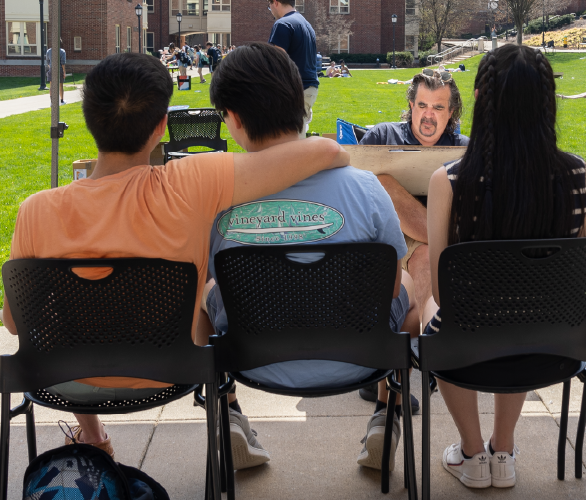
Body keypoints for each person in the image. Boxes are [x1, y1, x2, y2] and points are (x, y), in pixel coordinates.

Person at [3, 52, 347, 461]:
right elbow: (325, 151)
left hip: (61, 378)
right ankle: (229, 413)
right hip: (170, 370)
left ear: (89, 118)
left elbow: (12, 320)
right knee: (211, 289)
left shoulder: (36, 210)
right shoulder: (192, 182)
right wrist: (339, 154)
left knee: (69, 314)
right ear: (162, 126)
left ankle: (92, 434)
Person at [203, 42, 419, 473]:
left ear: (235, 119)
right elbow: (391, 288)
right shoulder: (366, 188)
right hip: (358, 357)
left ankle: (228, 412)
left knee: (204, 291)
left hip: (255, 361)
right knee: (410, 287)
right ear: (300, 104)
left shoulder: (217, 199)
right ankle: (387, 413)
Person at [423, 44, 586, 489]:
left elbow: (443, 293)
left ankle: (472, 453)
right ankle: (504, 449)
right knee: (522, 310)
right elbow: (581, 273)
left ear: (479, 98)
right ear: (547, 101)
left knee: (429, 308)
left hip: (467, 351)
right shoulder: (579, 175)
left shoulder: (451, 181)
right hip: (551, 346)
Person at [359, 71, 467, 319]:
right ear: (411, 105)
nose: (428, 115)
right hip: (394, 232)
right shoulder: (383, 137)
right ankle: (428, 341)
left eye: (438, 107)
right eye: (422, 105)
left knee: (428, 252)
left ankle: (428, 339)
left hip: (448, 232)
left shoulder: (464, 149)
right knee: (383, 183)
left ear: (451, 112)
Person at [267, 0, 319, 135]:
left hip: (293, 91)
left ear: (275, 2)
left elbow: (277, 62)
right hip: (309, 88)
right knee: (298, 139)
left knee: (286, 142)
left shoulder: (282, 24)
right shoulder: (306, 24)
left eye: (269, 6)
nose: (270, 11)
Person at [46, 40, 67, 104]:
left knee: (51, 86)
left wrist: (51, 68)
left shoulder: (49, 51)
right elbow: (63, 63)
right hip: (59, 69)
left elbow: (48, 62)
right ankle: (61, 100)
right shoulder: (62, 51)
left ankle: (52, 102)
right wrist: (64, 72)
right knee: (60, 85)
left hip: (52, 69)